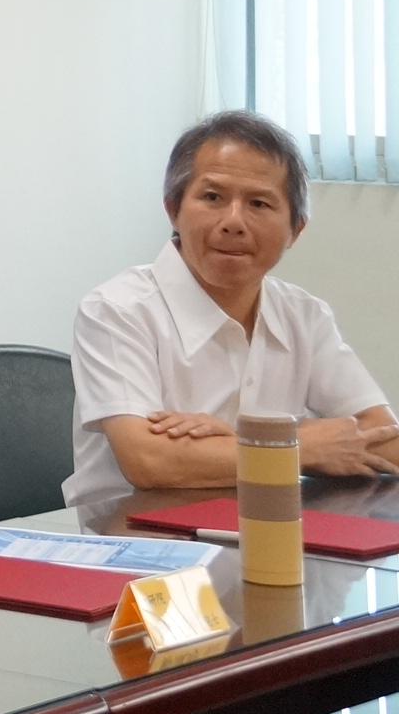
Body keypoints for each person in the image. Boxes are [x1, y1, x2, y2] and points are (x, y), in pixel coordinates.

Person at [65, 109, 398, 507]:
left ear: (295, 229)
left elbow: (386, 441)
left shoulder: (304, 315)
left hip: (263, 525)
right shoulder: (117, 310)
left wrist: (235, 440)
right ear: (173, 209)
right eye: (212, 197)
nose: (234, 221)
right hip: (129, 534)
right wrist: (301, 445)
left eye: (259, 203)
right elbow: (148, 461)